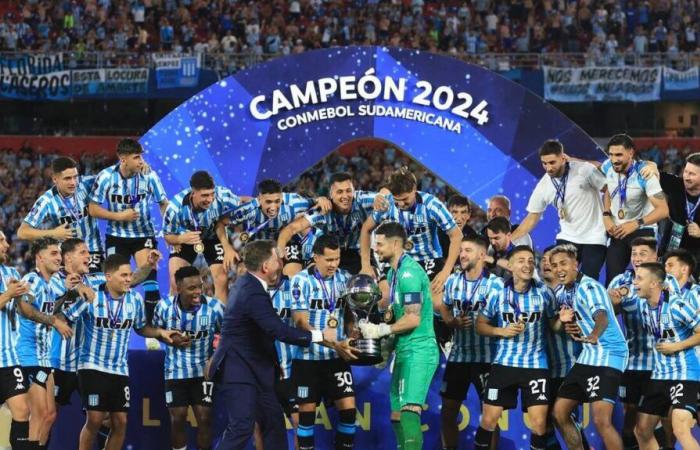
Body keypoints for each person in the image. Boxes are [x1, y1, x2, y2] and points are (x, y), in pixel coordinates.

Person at [206, 240, 336, 450]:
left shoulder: (249, 284)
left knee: (273, 422)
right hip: (239, 371)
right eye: (277, 260)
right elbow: (277, 329)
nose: (281, 263)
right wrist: (319, 336)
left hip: (256, 372)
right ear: (266, 267)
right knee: (242, 427)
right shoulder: (252, 291)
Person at [59, 253, 181, 450]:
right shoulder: (92, 296)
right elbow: (66, 318)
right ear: (109, 277)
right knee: (96, 419)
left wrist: (160, 332)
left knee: (121, 422)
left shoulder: (135, 300)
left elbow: (141, 327)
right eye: (124, 275)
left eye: (130, 275)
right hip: (92, 365)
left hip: (119, 369)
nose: (129, 279)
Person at [358, 222, 439, 450]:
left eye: (380, 244)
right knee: (396, 414)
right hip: (404, 350)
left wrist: (383, 330)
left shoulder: (409, 273)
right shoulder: (394, 272)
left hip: (419, 350)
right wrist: (386, 347)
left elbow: (413, 318)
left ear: (395, 243)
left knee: (409, 411)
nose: (376, 248)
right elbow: (397, 316)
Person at [474, 245, 554, 450]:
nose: (527, 265)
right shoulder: (497, 294)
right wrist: (502, 331)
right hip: (504, 364)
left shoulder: (545, 293)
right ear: (510, 265)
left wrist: (562, 321)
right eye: (521, 260)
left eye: (530, 260)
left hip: (536, 365)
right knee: (489, 420)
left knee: (539, 424)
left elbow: (554, 325)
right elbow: (480, 325)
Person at [550, 244, 628, 450]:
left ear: (576, 264)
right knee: (559, 412)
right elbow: (567, 323)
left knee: (602, 421)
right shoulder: (562, 291)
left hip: (610, 352)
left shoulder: (589, 287)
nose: (559, 269)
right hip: (589, 355)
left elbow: (601, 316)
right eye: (555, 265)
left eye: (564, 263)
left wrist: (594, 334)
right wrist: (569, 326)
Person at [88, 138, 169, 334]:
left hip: (144, 234)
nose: (141, 161)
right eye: (136, 157)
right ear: (123, 159)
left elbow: (163, 202)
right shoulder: (106, 177)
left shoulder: (149, 176)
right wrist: (118, 216)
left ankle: (152, 329)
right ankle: (113, 323)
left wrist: (168, 230)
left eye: (141, 156)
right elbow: (92, 209)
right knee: (116, 280)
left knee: (150, 279)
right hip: (116, 236)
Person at [607, 237, 677, 450]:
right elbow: (608, 313)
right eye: (634, 254)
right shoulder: (619, 280)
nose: (637, 258)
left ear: (655, 256)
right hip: (633, 362)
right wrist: (614, 303)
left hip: (662, 363)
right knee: (631, 414)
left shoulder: (667, 280)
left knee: (666, 417)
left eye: (643, 253)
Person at [290, 234, 359, 450]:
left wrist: (351, 333)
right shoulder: (300, 280)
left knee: (349, 412)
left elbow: (348, 314)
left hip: (336, 358)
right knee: (306, 418)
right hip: (307, 359)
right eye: (329, 260)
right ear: (316, 257)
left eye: (337, 259)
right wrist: (332, 343)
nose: (334, 264)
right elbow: (301, 323)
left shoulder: (345, 278)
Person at [436, 235, 501, 450]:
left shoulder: (496, 284)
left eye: (467, 251)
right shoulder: (453, 281)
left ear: (482, 255)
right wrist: (450, 321)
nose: (462, 255)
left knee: (490, 416)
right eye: (461, 250)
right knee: (447, 412)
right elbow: (444, 305)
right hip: (459, 357)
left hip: (487, 358)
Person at [512, 140, 608, 279]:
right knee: (560, 278)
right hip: (567, 236)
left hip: (594, 236)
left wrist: (608, 216)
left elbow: (608, 190)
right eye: (544, 163)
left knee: (588, 279)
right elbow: (532, 217)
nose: (548, 168)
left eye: (552, 162)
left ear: (563, 158)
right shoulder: (544, 185)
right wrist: (511, 239)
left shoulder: (583, 170)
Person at [153, 265, 224, 450]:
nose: (198, 292)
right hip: (175, 371)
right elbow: (154, 330)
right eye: (191, 288)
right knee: (178, 418)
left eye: (199, 286)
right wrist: (167, 338)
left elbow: (229, 334)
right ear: (178, 287)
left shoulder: (215, 307)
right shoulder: (164, 307)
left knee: (204, 418)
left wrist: (215, 356)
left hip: (203, 372)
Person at [632, 262, 700, 450]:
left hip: (685, 372)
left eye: (639, 278)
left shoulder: (677, 306)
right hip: (660, 374)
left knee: (681, 429)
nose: (634, 282)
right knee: (642, 430)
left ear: (654, 284)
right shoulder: (643, 306)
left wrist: (676, 346)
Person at [360, 167, 461, 288]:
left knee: (436, 303)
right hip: (396, 260)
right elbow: (366, 229)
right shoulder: (386, 204)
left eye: (405, 199)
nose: (401, 204)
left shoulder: (431, 205)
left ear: (414, 189)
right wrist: (365, 265)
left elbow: (456, 235)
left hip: (428, 260)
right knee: (384, 299)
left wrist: (445, 272)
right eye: (397, 200)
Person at [17, 238, 73, 450]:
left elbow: (49, 308)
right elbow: (25, 309)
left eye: (59, 253)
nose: (58, 258)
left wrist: (68, 292)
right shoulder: (32, 279)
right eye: (53, 253)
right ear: (39, 258)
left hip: (44, 356)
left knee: (50, 414)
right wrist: (54, 321)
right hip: (28, 354)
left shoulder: (53, 284)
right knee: (39, 413)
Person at [223, 178, 329, 277]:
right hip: (257, 245)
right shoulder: (249, 209)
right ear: (260, 199)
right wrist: (227, 248)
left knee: (292, 276)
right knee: (244, 274)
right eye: (268, 202)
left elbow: (315, 202)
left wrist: (321, 199)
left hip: (287, 243)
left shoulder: (293, 202)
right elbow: (221, 222)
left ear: (281, 197)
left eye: (277, 201)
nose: (273, 207)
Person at [163, 170, 241, 302]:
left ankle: (220, 320)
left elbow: (245, 203)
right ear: (193, 193)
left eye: (212, 194)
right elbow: (167, 236)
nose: (210, 199)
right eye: (205, 195)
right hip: (186, 239)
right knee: (176, 283)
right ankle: (174, 319)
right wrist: (180, 239)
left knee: (221, 279)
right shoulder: (175, 208)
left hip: (213, 236)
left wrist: (228, 245)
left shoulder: (223, 196)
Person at [601, 134, 669, 283]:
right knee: (612, 281)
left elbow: (663, 210)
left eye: (619, 155)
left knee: (646, 279)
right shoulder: (608, 167)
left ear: (631, 153)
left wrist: (636, 223)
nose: (614, 159)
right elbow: (608, 189)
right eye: (611, 154)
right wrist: (606, 214)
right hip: (618, 231)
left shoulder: (645, 174)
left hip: (642, 230)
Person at [278, 172, 377, 274]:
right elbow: (292, 228)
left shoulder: (362, 199)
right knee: (315, 273)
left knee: (373, 278)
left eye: (348, 191)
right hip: (331, 253)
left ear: (354, 191)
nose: (345, 196)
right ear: (331, 194)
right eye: (339, 192)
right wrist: (281, 247)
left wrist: (383, 200)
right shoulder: (323, 210)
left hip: (358, 251)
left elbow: (386, 195)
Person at [19, 156, 104, 272]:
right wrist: (53, 233)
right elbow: (23, 232)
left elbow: (112, 177)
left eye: (75, 177)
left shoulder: (86, 183)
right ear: (55, 179)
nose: (73, 182)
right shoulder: (47, 201)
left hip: (94, 252)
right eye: (67, 178)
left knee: (95, 287)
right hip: (68, 257)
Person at [540, 247, 586, 450]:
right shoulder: (536, 292)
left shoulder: (573, 293)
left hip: (569, 367)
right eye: (544, 260)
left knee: (565, 417)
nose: (547, 264)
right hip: (541, 368)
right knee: (543, 421)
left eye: (555, 262)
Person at [0, 231, 32, 450]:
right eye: (1, 240)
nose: (6, 244)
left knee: (22, 410)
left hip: (9, 357)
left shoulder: (11, 273)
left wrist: (22, 296)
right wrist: (8, 295)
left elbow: (23, 311)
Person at [650, 153, 700, 274]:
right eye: (686, 172)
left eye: (692, 174)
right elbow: (653, 172)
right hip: (672, 246)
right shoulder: (676, 184)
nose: (686, 177)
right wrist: (650, 165)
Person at [437, 195, 479, 260]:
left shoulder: (472, 235)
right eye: (455, 212)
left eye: (463, 212)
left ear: (468, 215)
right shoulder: (436, 235)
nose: (459, 218)